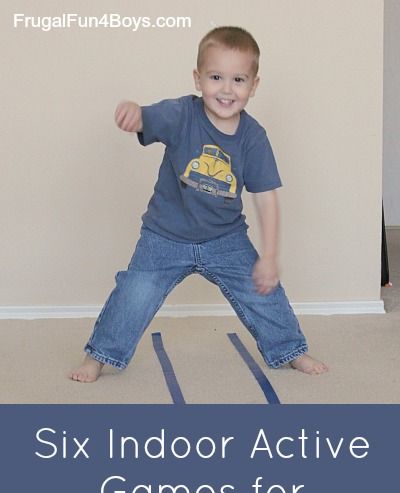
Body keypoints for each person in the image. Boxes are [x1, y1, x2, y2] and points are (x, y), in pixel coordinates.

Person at [70, 26, 328, 383]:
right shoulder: (180, 115)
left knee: (263, 291)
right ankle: (99, 356)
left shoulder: (253, 138)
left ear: (253, 86)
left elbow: (266, 198)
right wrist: (134, 113)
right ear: (198, 79)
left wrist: (269, 255)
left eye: (238, 79)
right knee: (133, 292)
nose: (226, 89)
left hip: (226, 239)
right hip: (164, 236)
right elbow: (147, 117)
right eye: (216, 77)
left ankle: (289, 350)